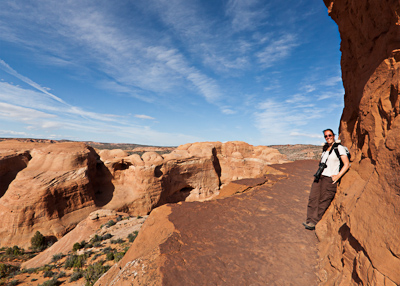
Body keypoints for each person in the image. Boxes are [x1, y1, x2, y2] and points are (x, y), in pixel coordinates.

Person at [303, 129, 350, 230]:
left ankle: (315, 222)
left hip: (329, 178)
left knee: (324, 200)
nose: (328, 137)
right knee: (313, 198)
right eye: (326, 136)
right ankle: (309, 219)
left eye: (330, 135)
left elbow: (346, 164)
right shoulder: (325, 148)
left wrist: (338, 176)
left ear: (334, 136)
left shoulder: (339, 148)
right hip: (319, 176)